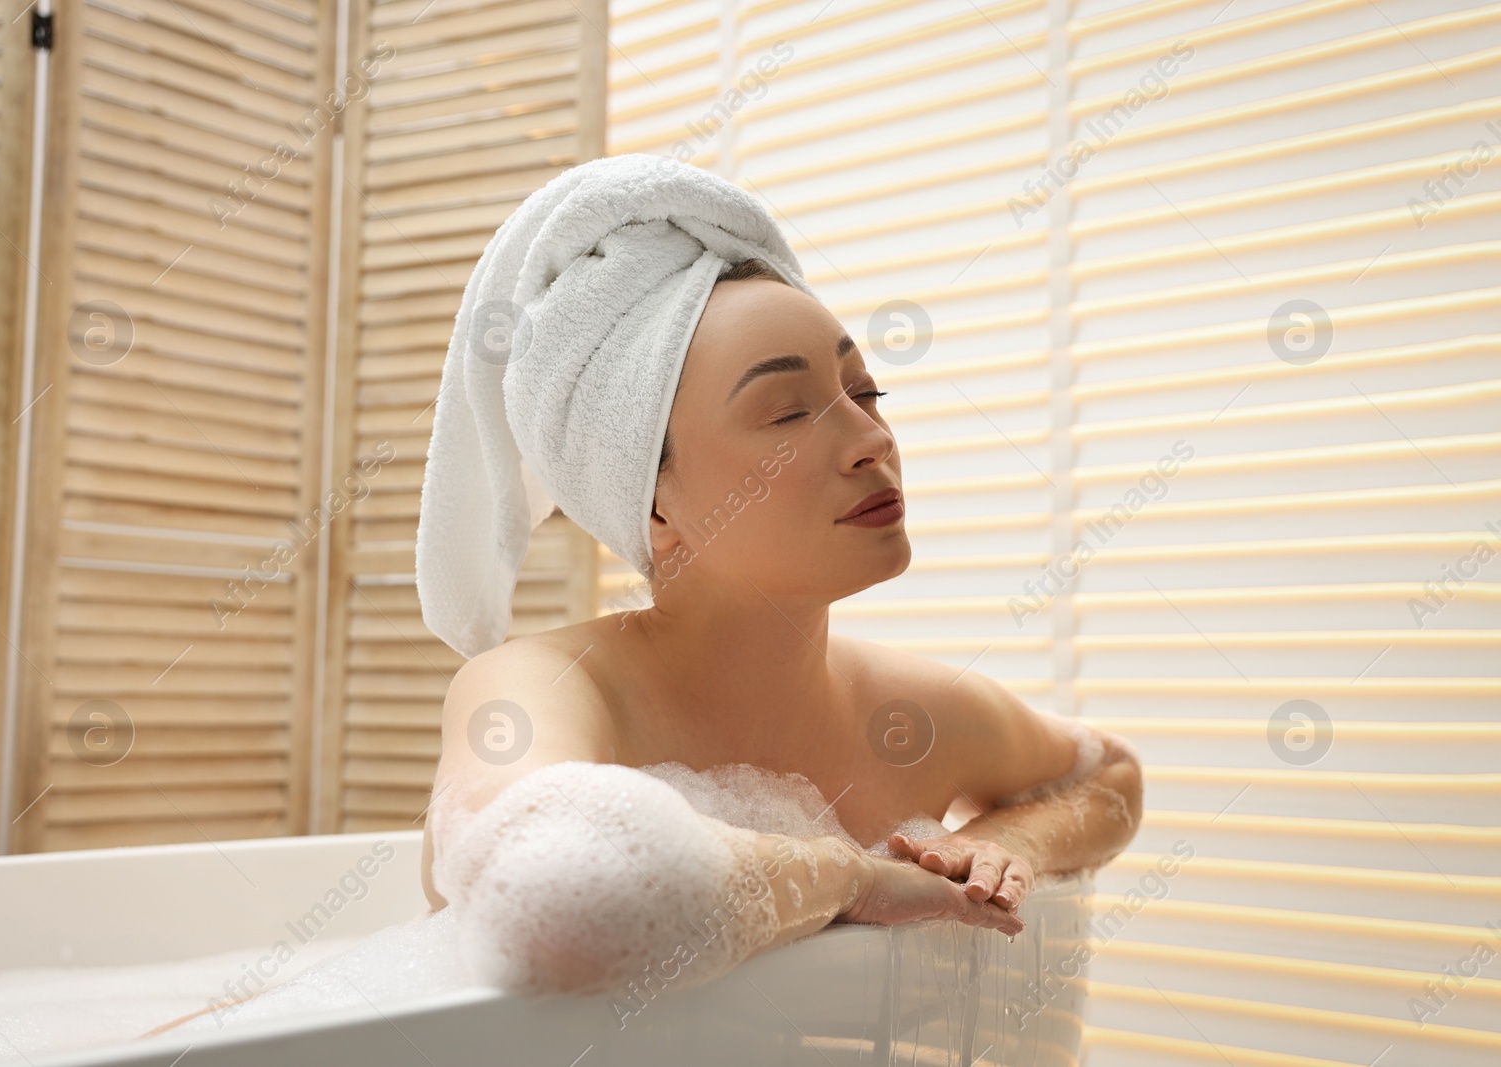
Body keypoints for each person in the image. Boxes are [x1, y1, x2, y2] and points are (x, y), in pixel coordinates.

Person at [418, 254, 1144, 990]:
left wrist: (1006, 838)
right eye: (789, 410)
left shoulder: (910, 711)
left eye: (867, 392)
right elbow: (550, 897)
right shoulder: (546, 686)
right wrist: (850, 879)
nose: (874, 438)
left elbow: (1109, 776)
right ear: (657, 507)